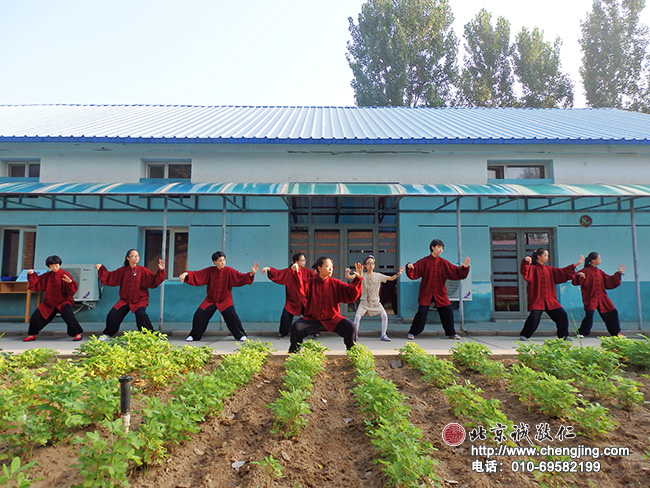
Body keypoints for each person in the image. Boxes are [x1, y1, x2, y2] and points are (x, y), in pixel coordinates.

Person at [288, 256, 363, 353]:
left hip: (332, 318)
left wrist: (358, 279)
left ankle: (352, 353)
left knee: (351, 327)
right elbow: (299, 288)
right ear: (319, 268)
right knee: (296, 327)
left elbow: (350, 293)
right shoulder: (310, 282)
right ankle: (294, 354)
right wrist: (296, 273)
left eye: (332, 266)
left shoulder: (336, 283)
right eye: (327, 266)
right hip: (312, 319)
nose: (331, 269)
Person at [181, 251, 259, 342]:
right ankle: (194, 336)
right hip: (211, 300)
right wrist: (186, 274)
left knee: (232, 316)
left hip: (225, 299)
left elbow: (240, 277)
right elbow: (198, 275)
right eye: (220, 260)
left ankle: (240, 335)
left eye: (224, 260)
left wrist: (251, 274)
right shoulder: (210, 270)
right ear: (215, 262)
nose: (223, 262)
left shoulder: (229, 271)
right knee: (199, 315)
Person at [405, 239, 470, 340]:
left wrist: (464, 268)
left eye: (442, 248)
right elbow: (414, 269)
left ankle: (451, 333)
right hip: (426, 292)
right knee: (422, 312)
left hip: (440, 293)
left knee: (448, 311)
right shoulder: (424, 261)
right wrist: (409, 266)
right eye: (439, 247)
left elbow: (455, 271)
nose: (441, 250)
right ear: (432, 247)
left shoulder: (443, 263)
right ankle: (412, 332)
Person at [95, 249, 165, 340]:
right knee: (113, 314)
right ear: (128, 258)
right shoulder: (123, 271)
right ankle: (107, 334)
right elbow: (110, 276)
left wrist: (161, 270)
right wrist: (101, 268)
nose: (137, 257)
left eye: (138, 256)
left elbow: (153, 280)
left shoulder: (142, 270)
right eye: (134, 256)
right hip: (125, 300)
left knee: (141, 315)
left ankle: (150, 336)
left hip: (140, 299)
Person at [519, 248, 583, 341]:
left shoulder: (550, 269)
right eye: (545, 255)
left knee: (562, 315)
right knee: (534, 317)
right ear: (538, 257)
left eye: (547, 256)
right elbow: (524, 270)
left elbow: (563, 272)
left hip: (550, 300)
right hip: (538, 299)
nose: (547, 257)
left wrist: (575, 265)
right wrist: (525, 261)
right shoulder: (532, 269)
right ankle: (524, 335)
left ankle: (564, 336)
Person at [23, 255, 83, 342]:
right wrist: (31, 274)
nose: (54, 267)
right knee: (36, 316)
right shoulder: (47, 275)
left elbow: (72, 290)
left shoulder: (65, 274)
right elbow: (37, 282)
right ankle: (31, 334)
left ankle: (77, 333)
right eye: (52, 266)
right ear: (49, 266)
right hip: (49, 302)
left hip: (63, 301)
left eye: (56, 265)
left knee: (69, 315)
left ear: (59, 265)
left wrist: (70, 282)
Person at [348, 255, 402, 342]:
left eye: (372, 263)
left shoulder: (378, 276)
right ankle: (355, 335)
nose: (370, 265)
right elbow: (350, 277)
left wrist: (398, 273)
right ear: (364, 266)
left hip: (375, 301)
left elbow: (391, 278)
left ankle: (383, 335)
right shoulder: (362, 275)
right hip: (364, 301)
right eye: (368, 263)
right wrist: (347, 273)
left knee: (384, 315)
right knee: (357, 317)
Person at [572, 252, 626, 338]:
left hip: (602, 297)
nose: (600, 260)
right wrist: (579, 276)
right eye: (599, 258)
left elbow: (610, 281)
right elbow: (575, 281)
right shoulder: (585, 271)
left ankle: (616, 333)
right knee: (589, 315)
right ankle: (581, 333)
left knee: (612, 312)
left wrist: (618, 273)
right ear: (593, 260)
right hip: (590, 297)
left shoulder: (599, 272)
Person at [262, 252, 315, 339]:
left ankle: (314, 332)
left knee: (312, 315)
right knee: (285, 316)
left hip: (304, 300)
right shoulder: (288, 272)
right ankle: (283, 333)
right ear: (296, 261)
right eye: (302, 260)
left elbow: (316, 278)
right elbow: (278, 273)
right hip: (292, 301)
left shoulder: (307, 272)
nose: (304, 262)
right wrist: (268, 268)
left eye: (305, 260)